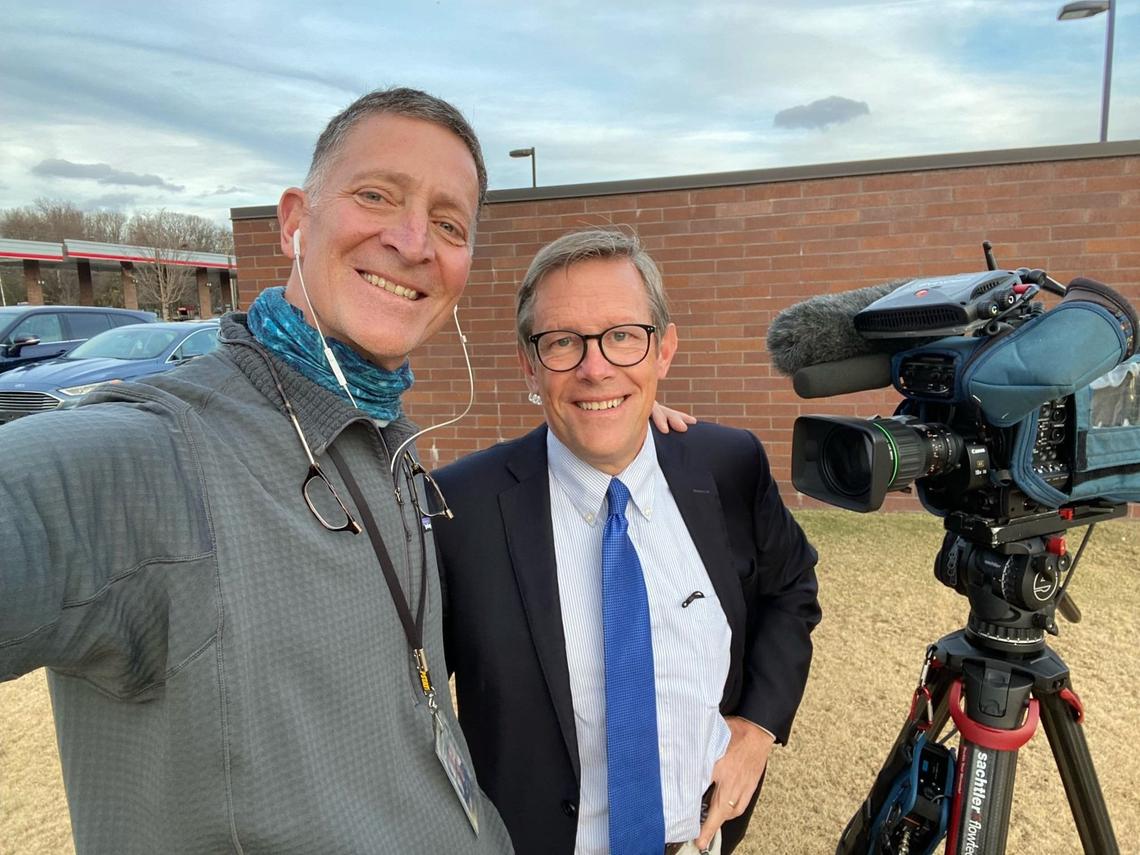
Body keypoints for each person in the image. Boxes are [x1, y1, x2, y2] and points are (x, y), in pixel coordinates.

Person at [0, 87, 516, 854]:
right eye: (377, 195)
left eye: (449, 223)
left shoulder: (391, 445)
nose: (414, 241)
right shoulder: (161, 452)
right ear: (294, 221)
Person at [433, 229, 823, 855]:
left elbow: (791, 590)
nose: (595, 368)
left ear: (663, 350)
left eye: (623, 336)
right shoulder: (459, 507)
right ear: (528, 363)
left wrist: (757, 729)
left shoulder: (727, 466)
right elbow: (404, 701)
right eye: (563, 341)